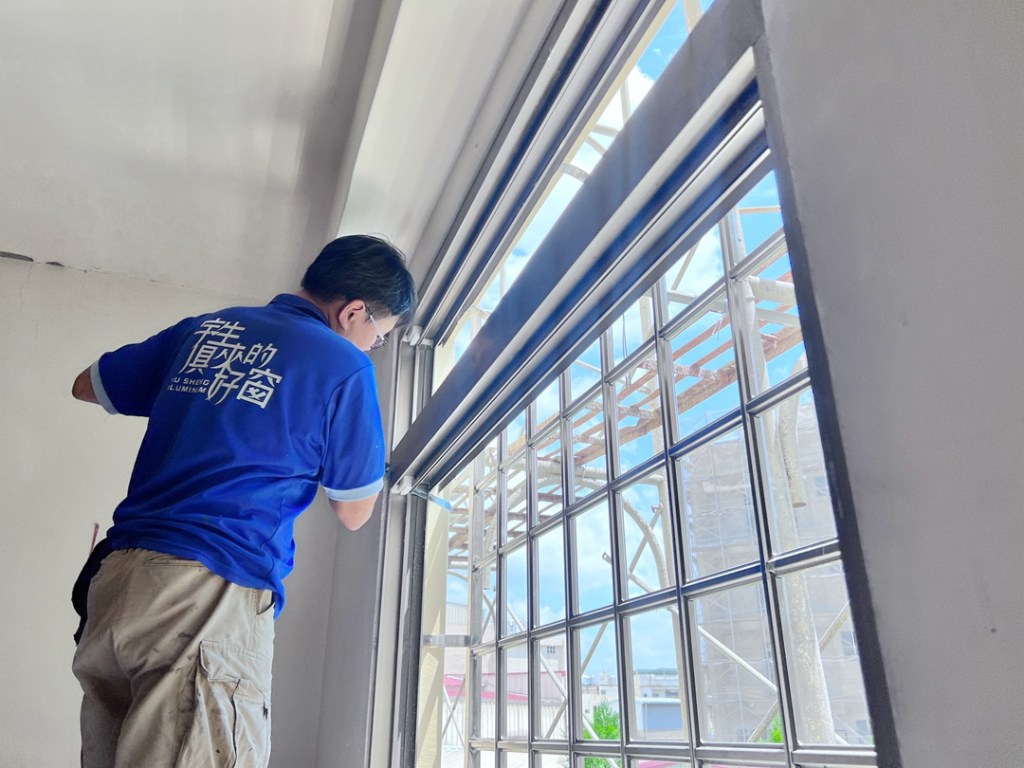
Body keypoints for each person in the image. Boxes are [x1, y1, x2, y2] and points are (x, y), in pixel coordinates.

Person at [69, 234, 416, 768]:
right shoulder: (344, 366)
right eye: (380, 335)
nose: (373, 346)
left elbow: (87, 386)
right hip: (206, 594)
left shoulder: (205, 330)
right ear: (353, 312)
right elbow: (354, 512)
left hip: (118, 584)